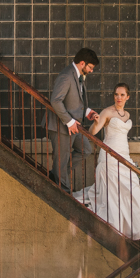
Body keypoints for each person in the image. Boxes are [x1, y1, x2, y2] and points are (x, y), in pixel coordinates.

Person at [72, 83, 140, 241]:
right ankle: (113, 230)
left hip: (124, 156)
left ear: (127, 97)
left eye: (122, 95)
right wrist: (97, 123)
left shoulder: (127, 115)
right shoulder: (107, 112)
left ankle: (125, 231)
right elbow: (92, 133)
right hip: (110, 155)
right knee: (112, 193)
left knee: (132, 189)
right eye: (116, 94)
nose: (118, 98)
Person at [42, 48, 100, 191]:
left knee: (85, 149)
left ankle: (58, 174)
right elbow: (56, 101)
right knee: (61, 161)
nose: (92, 71)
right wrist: (69, 121)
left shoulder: (78, 75)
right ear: (82, 63)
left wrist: (87, 112)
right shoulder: (67, 76)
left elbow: (73, 101)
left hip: (74, 125)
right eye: (90, 67)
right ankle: (64, 193)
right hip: (61, 126)